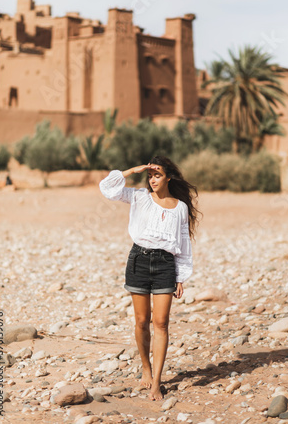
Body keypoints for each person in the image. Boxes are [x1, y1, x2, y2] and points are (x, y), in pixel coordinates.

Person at [99, 155, 201, 401]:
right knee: (141, 321)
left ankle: (157, 381)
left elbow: (183, 243)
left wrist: (181, 276)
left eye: (158, 175)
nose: (153, 180)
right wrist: (132, 170)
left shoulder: (180, 207)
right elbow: (107, 187)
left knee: (162, 323)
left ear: (168, 177)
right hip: (139, 261)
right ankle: (146, 367)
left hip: (166, 265)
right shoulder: (139, 196)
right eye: (150, 175)